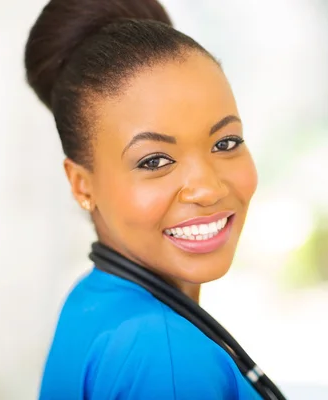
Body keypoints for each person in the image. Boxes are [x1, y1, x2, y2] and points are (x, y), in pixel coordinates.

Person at [24, 0, 281, 398]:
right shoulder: (166, 356)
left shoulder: (93, 302)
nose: (208, 188)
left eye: (226, 142)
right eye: (155, 160)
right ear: (81, 185)